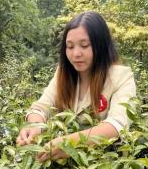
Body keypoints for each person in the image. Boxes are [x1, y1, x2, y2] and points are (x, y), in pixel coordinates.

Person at [16, 11, 136, 162]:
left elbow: (117, 126)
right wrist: (34, 126)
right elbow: (41, 107)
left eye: (84, 45)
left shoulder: (121, 77)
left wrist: (69, 143)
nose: (76, 54)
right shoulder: (63, 73)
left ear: (101, 45)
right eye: (70, 46)